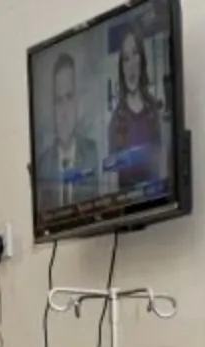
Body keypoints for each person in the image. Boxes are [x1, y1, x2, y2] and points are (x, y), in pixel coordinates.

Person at [40, 52, 102, 212]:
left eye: (69, 96)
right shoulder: (43, 164)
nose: (64, 112)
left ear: (77, 102)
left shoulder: (91, 152)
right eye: (58, 101)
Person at [107, 27, 167, 190]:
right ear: (121, 67)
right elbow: (112, 184)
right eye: (126, 59)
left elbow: (163, 168)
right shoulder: (115, 121)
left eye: (135, 54)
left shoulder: (155, 110)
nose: (131, 65)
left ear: (142, 60)